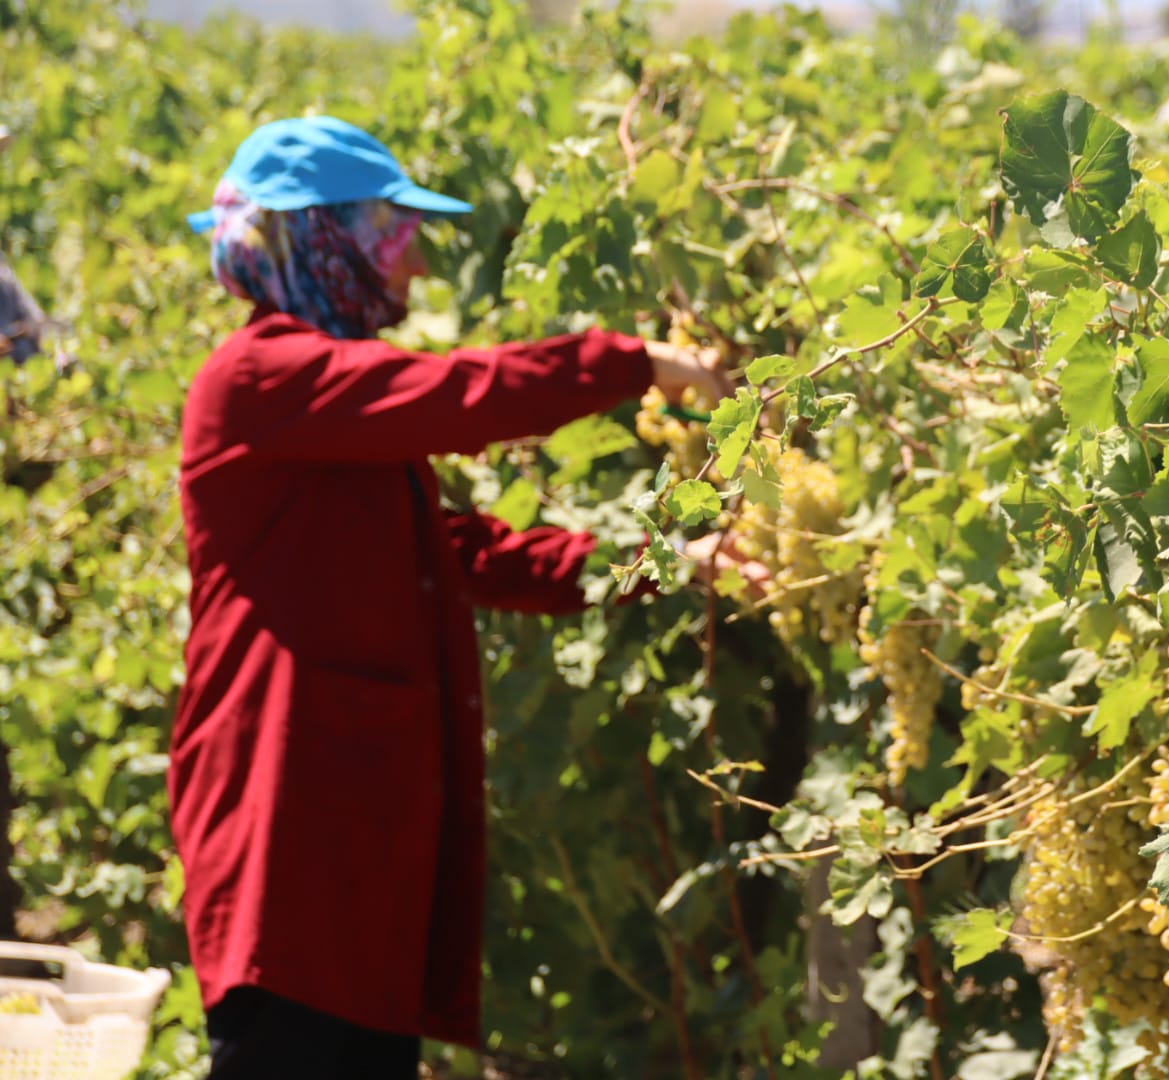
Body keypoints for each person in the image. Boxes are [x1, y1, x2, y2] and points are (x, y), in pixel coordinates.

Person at [170, 116, 751, 1077]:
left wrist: (668, 561)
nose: (417, 268)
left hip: (349, 850)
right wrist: (629, 361)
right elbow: (455, 395)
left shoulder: (323, 397)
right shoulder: (261, 376)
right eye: (394, 238)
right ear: (322, 240)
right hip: (291, 843)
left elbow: (453, 550)